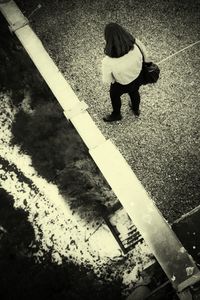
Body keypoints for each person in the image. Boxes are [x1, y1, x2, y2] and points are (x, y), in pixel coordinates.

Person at [101, 22, 148, 122]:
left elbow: (108, 80)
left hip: (121, 84)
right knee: (135, 92)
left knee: (114, 95)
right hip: (138, 77)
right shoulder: (136, 44)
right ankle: (136, 109)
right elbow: (145, 56)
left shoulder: (108, 61)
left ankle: (116, 114)